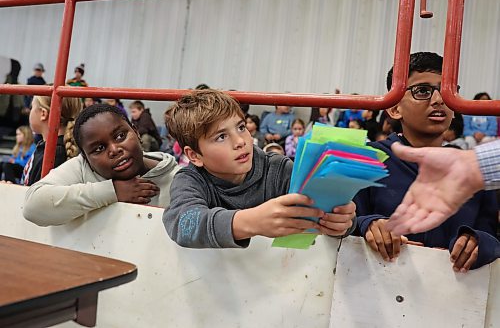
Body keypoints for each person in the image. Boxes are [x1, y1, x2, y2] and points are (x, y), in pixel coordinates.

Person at [354, 52, 498, 272]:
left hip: (453, 296)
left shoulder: (474, 169)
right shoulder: (367, 159)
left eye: (449, 91)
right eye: (422, 91)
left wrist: (479, 243)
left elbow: (491, 233)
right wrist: (369, 225)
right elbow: (342, 225)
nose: (439, 99)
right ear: (394, 108)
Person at [163, 89, 356, 248]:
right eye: (221, 136)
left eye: (240, 127)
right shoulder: (189, 180)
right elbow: (183, 223)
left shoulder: (279, 169)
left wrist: (342, 222)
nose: (240, 141)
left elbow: (335, 217)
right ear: (194, 156)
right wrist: (250, 222)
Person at [23, 104, 179, 226]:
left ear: (136, 133)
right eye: (99, 148)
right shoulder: (82, 167)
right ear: (86, 157)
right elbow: (32, 206)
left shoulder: (177, 178)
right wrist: (112, 191)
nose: (114, 150)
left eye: (120, 136)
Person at [387, 140, 500, 237]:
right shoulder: (381, 155)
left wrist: (480, 241)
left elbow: (488, 227)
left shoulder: (478, 183)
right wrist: (370, 222)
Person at [22, 95, 83, 186]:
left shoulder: (55, 154)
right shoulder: (47, 147)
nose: (30, 112)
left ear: (43, 113)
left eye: (32, 107)